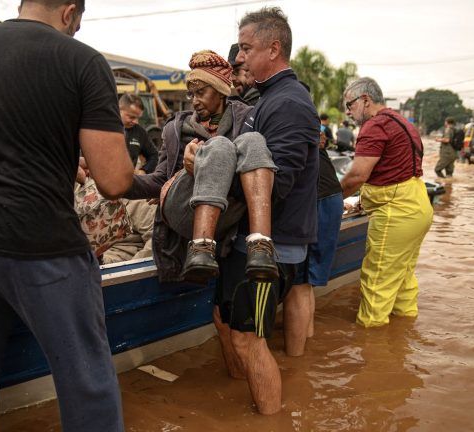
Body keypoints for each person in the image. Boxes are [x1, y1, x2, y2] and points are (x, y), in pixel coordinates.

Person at [0, 1, 134, 431]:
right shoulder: (82, 59)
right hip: (35, 239)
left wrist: (56, 156)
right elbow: (113, 180)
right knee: (86, 380)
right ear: (70, 11)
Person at [213, 6, 319, 415]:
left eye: (245, 48)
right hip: (253, 241)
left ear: (273, 49)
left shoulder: (289, 103)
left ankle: (270, 420)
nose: (238, 57)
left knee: (248, 338)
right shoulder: (270, 98)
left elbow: (280, 183)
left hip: (269, 247)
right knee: (227, 322)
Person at [125, 50, 277, 284]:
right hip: (183, 208)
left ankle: (260, 245)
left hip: (225, 213)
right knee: (219, 146)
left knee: (253, 140)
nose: (194, 100)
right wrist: (120, 182)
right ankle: (200, 248)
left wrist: (207, 168)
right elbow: (159, 180)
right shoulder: (176, 128)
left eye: (201, 92)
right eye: (191, 94)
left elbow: (264, 163)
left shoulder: (248, 118)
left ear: (220, 91)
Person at [339, 77, 433, 328]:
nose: (348, 112)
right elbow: (393, 171)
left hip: (396, 214)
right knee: (402, 280)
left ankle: (373, 347)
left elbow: (357, 176)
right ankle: (403, 335)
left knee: (377, 282)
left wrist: (330, 199)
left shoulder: (375, 125)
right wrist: (363, 201)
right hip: (418, 207)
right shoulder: (403, 121)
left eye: (349, 105)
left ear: (365, 100)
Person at [284, 131, 344, 357]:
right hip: (331, 195)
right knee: (307, 284)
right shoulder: (304, 117)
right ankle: (306, 343)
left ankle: (295, 359)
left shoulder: (277, 113)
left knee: (298, 284)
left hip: (316, 198)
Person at [101, 198, 156, 264]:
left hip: (124, 263)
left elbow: (155, 240)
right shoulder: (96, 203)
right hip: (99, 258)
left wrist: (134, 266)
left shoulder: (139, 203)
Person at [119, 93, 158, 174]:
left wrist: (144, 170)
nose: (136, 122)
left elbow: (154, 155)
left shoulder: (140, 133)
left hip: (127, 182)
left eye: (138, 118)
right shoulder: (105, 129)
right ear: (119, 110)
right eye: (131, 117)